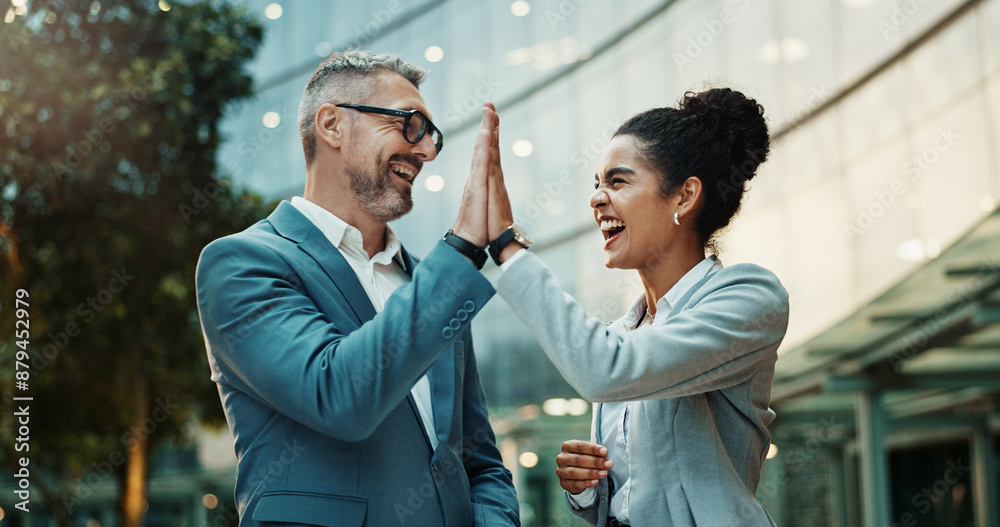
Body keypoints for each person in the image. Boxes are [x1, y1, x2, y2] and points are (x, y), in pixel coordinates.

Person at [195, 51, 519, 527]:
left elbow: (479, 461)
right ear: (332, 125)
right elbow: (338, 396)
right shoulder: (242, 263)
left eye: (432, 136)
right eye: (410, 124)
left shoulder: (433, 280)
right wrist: (465, 245)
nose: (426, 152)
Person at [480, 88, 789, 526]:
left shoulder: (749, 297)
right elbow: (628, 497)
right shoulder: (621, 333)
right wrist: (586, 489)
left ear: (684, 197)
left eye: (618, 181)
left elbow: (606, 370)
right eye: (597, 184)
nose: (597, 198)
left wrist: (508, 247)